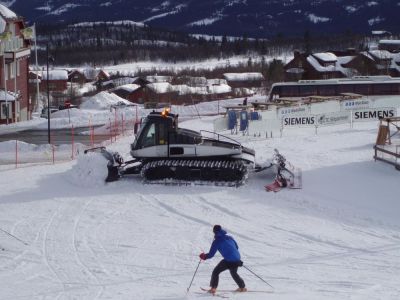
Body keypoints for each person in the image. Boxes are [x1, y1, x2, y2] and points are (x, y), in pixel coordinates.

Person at [199, 225, 246, 294]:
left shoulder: (217, 241)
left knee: (216, 272)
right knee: (234, 273)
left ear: (214, 232)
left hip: (229, 260)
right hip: (237, 259)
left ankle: (213, 289)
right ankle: (242, 287)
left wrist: (204, 256)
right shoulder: (230, 237)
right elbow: (236, 247)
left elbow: (211, 254)